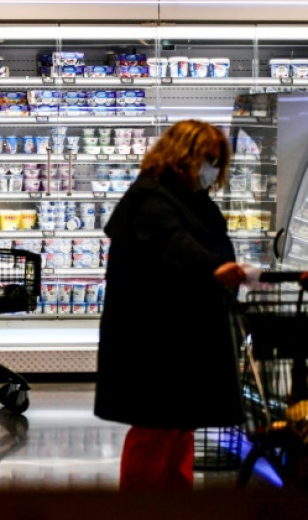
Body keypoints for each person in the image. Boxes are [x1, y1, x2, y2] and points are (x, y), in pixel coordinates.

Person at [94, 120, 247, 491]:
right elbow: (173, 243)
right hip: (154, 339)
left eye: (216, 161)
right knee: (155, 427)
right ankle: (140, 508)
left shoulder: (189, 200)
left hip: (181, 336)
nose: (212, 170)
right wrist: (215, 268)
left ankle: (176, 506)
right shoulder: (150, 199)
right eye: (207, 159)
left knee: (179, 426)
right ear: (183, 157)